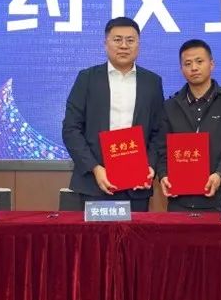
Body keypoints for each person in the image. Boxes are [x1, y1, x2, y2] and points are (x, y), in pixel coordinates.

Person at [62, 17, 164, 212]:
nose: (124, 46)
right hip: (95, 182)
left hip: (137, 185)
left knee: (135, 233)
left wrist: (150, 166)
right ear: (105, 43)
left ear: (139, 44)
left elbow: (158, 131)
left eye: (130, 40)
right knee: (96, 234)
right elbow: (71, 129)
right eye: (117, 40)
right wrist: (95, 168)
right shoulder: (87, 78)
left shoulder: (152, 82)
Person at [156, 39, 221, 212]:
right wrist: (163, 175)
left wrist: (220, 174)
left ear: (211, 64)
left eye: (199, 61)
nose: (194, 68)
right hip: (179, 201)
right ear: (181, 69)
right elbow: (162, 148)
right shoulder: (170, 106)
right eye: (188, 63)